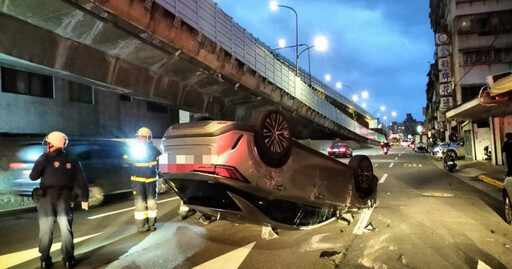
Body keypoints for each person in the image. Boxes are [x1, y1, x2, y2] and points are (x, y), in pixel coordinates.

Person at [29, 131, 89, 268]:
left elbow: (33, 176)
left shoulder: (44, 158)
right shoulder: (73, 159)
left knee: (45, 230)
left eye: (48, 143)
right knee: (66, 229)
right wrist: (85, 199)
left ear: (51, 143)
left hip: (46, 199)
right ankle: (69, 259)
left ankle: (44, 259)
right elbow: (81, 180)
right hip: (66, 198)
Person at [130, 127, 162, 232]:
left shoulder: (154, 150)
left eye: (142, 137)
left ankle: (152, 224)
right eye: (138, 137)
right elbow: (127, 160)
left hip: (151, 180)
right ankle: (141, 226)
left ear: (148, 138)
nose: (140, 139)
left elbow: (161, 163)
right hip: (138, 180)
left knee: (152, 203)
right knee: (139, 203)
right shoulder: (134, 149)